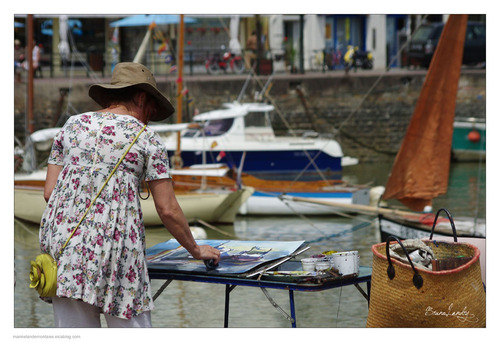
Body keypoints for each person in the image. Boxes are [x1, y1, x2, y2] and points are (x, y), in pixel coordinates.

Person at [39, 62, 221, 328]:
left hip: (66, 251)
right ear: (141, 97)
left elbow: (49, 193)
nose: (151, 115)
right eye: (152, 108)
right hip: (118, 252)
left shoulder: (72, 126)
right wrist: (195, 249)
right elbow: (167, 209)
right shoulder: (146, 138)